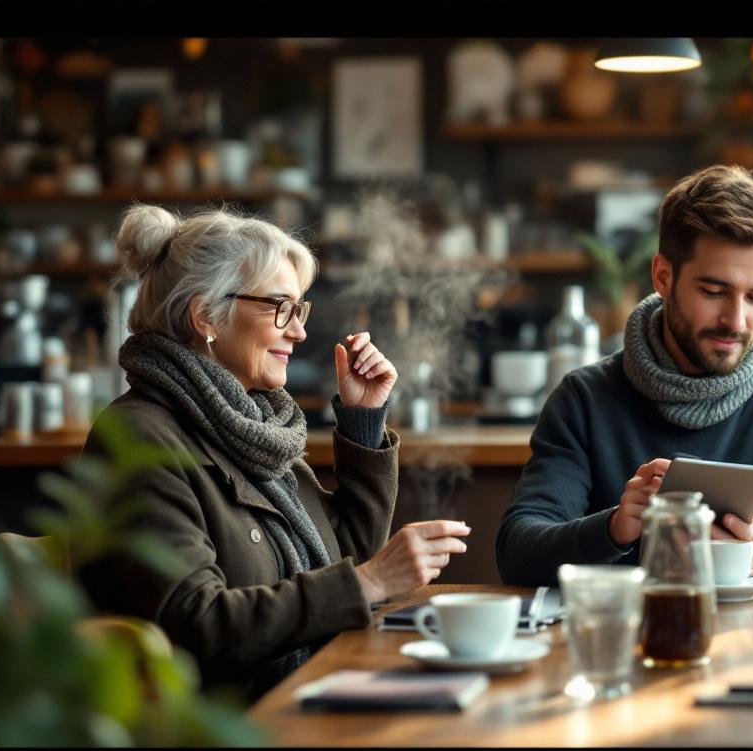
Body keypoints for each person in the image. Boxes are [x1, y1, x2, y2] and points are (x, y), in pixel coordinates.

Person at [80, 205, 469, 699]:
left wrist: (364, 420)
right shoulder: (138, 437)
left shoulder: (251, 425)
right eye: (279, 307)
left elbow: (346, 561)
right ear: (206, 316)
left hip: (298, 697)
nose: (299, 332)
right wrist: (368, 582)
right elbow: (194, 626)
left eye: (298, 309)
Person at [497, 165, 753, 587]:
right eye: (714, 292)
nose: (736, 320)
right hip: (625, 636)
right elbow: (517, 550)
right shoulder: (584, 399)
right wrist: (614, 528)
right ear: (664, 277)